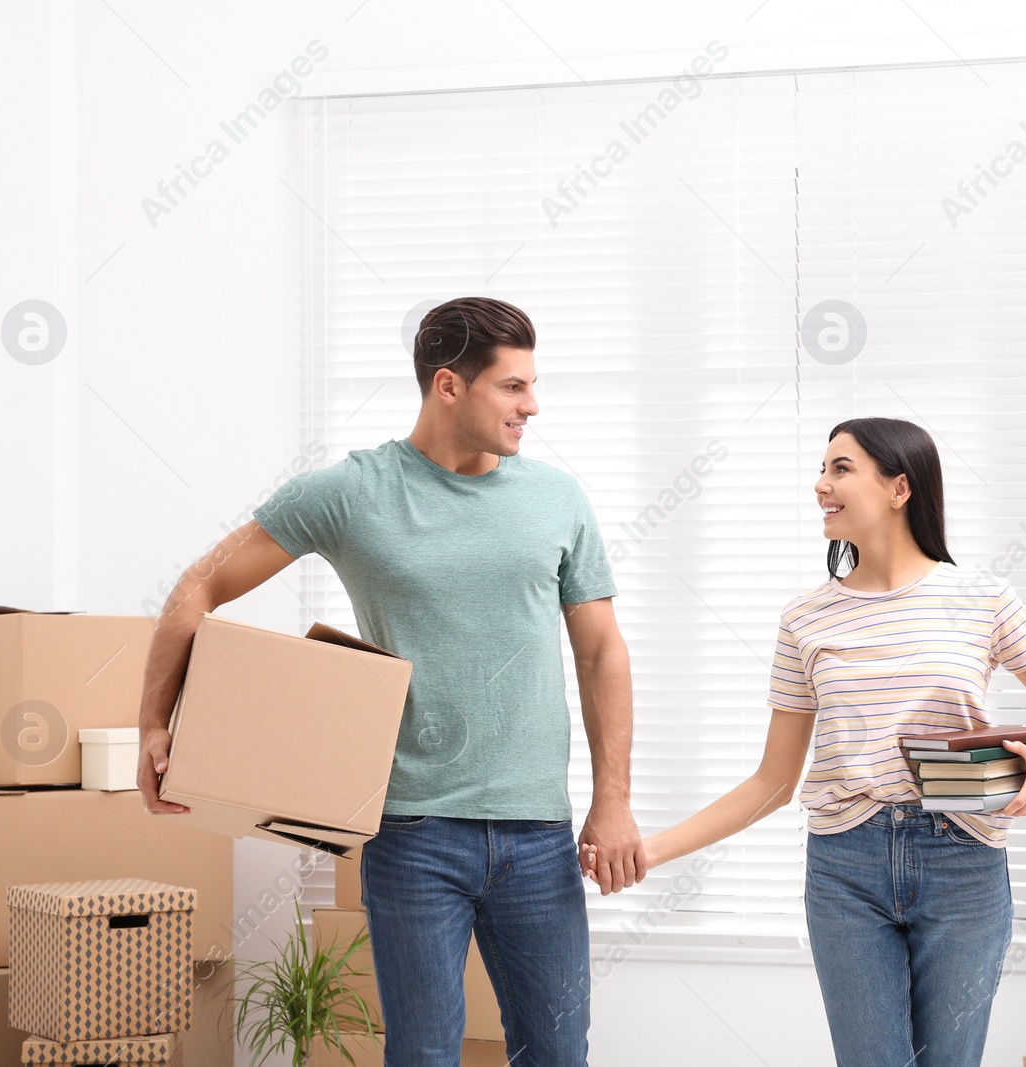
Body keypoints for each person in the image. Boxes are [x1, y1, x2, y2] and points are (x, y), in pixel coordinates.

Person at [136, 297, 645, 1067]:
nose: (531, 406)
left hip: (538, 833)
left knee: (557, 1055)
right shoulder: (353, 492)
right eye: (512, 387)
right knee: (424, 1055)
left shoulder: (556, 499)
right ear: (449, 385)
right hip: (413, 834)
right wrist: (153, 724)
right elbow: (197, 588)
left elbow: (603, 650)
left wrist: (613, 799)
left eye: (531, 385)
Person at [585, 417, 1026, 1067]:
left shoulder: (982, 598)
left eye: (840, 468)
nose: (820, 484)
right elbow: (771, 781)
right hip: (845, 864)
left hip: (963, 859)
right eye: (822, 469)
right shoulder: (806, 618)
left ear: (899, 487)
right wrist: (648, 851)